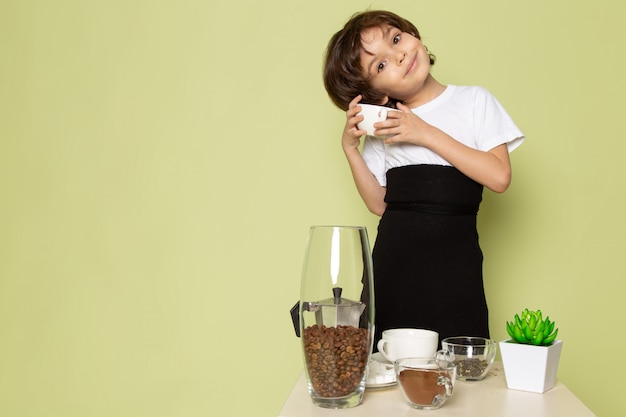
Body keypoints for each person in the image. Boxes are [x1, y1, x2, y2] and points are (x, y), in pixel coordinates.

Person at [323, 10, 524, 347]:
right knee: (385, 369)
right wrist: (350, 149)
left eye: (396, 39)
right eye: (380, 66)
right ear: (375, 93)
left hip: (455, 267)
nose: (399, 55)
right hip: (394, 266)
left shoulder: (474, 101)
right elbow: (378, 204)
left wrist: (424, 133)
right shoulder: (385, 127)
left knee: (461, 369)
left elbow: (499, 176)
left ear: (410, 34)